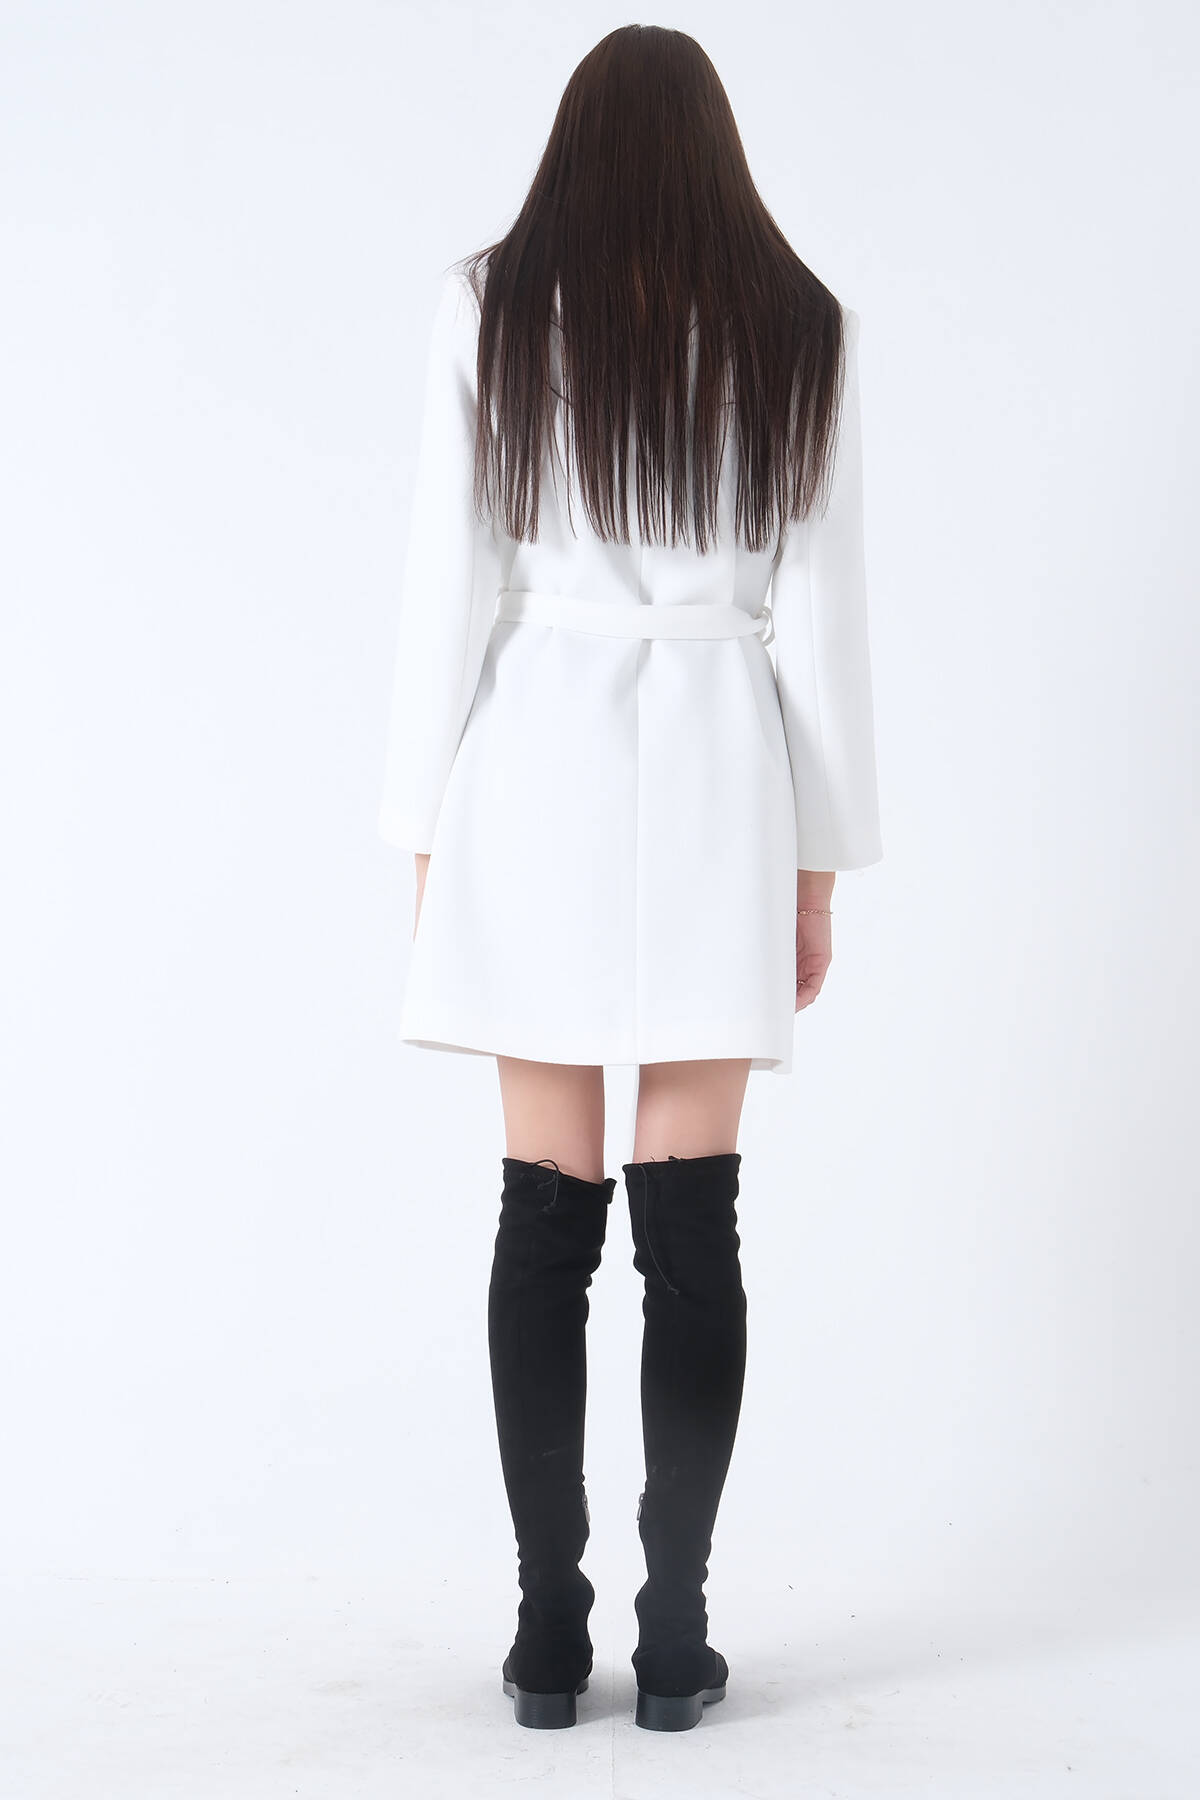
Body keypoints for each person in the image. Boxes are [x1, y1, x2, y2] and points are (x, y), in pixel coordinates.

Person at [377, 25, 883, 1733]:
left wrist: (424, 831)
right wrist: (818, 866)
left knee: (543, 1207)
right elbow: (825, 625)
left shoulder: (490, 307)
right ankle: (674, 1635)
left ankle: (546, 1633)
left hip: (532, 763)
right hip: (724, 769)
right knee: (692, 1218)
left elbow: (441, 587)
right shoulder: (799, 325)